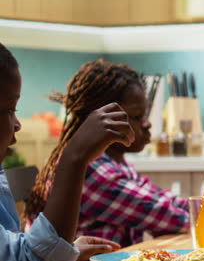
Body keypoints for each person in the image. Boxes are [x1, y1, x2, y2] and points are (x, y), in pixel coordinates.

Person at [0, 42, 133, 261]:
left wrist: (65, 250)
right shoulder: (98, 170)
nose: (17, 124)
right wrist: (74, 157)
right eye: (7, 109)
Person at [25, 60, 190, 247]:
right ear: (100, 119)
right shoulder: (89, 168)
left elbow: (160, 198)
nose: (147, 123)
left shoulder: (114, 162)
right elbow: (164, 215)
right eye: (136, 116)